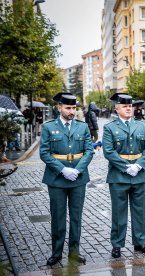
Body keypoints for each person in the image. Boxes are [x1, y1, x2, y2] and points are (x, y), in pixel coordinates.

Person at [39, 92, 94, 266]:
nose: (71, 111)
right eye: (68, 108)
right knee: (58, 217)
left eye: (73, 108)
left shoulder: (82, 126)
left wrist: (77, 170)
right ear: (59, 108)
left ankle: (74, 252)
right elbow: (44, 153)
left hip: (78, 178)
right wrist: (63, 169)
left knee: (76, 216)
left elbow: (89, 151)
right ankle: (56, 253)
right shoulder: (48, 127)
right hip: (56, 179)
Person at [103, 93, 145, 258]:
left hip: (139, 175)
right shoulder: (110, 127)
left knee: (140, 211)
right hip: (119, 176)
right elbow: (108, 151)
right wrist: (126, 167)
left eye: (130, 106)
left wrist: (138, 165)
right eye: (124, 106)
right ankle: (117, 244)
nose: (128, 109)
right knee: (119, 212)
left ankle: (140, 242)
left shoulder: (142, 126)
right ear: (117, 109)